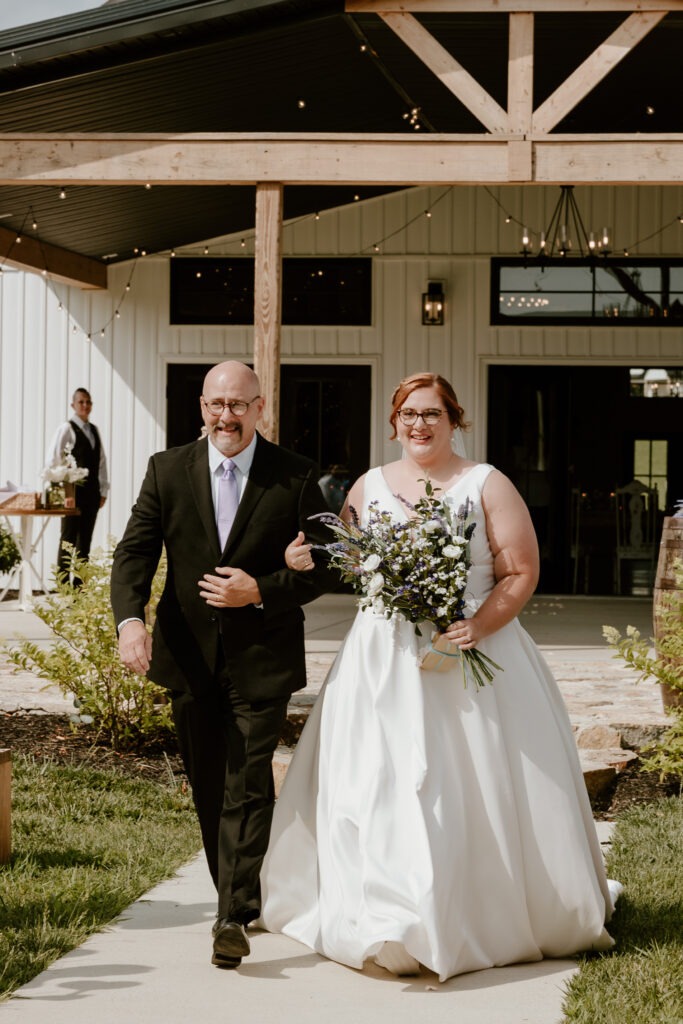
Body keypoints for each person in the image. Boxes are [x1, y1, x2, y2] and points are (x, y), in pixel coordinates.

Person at [259, 371, 619, 982]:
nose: (419, 424)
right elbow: (343, 561)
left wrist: (476, 626)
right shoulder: (368, 485)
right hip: (381, 662)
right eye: (409, 414)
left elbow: (520, 571)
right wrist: (303, 558)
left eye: (433, 413)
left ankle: (477, 911)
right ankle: (383, 914)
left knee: (469, 785)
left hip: (470, 658)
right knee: (378, 782)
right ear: (394, 422)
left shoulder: (486, 482)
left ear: (454, 420)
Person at [110, 360, 337, 970]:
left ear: (259, 408)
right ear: (203, 408)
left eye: (239, 405)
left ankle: (230, 917)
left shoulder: (295, 475)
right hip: (188, 660)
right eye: (216, 404)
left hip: (262, 658)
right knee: (212, 785)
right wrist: (130, 621)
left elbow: (331, 566)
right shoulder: (167, 470)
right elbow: (135, 552)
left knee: (247, 781)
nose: (226, 416)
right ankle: (239, 891)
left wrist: (261, 588)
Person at [47, 387, 109, 578]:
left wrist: (103, 490)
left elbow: (101, 462)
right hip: (72, 493)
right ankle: (64, 587)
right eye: (81, 402)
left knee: (85, 542)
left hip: (92, 493)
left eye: (88, 402)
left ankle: (80, 590)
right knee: (68, 540)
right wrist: (62, 486)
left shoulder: (94, 430)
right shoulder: (67, 428)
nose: (85, 405)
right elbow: (53, 460)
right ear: (73, 404)